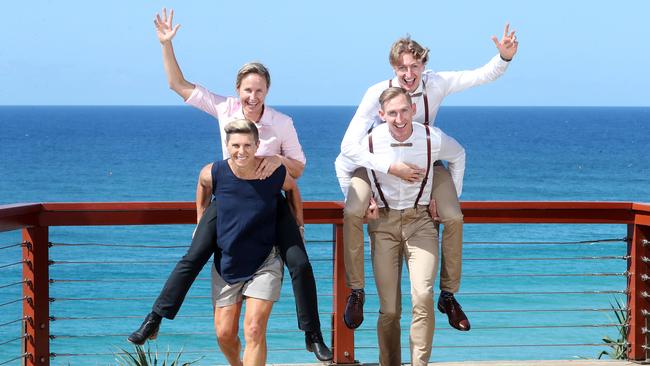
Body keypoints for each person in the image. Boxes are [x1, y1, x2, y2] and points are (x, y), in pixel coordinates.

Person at [128, 9, 332, 361]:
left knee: (299, 261)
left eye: (259, 89)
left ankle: (312, 334)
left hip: (270, 201)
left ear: (267, 90)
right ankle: (155, 318)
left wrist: (279, 160)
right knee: (193, 256)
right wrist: (166, 44)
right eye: (247, 89)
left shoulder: (282, 123)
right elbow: (178, 85)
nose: (253, 96)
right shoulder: (225, 108)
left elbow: (298, 170)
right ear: (238, 90)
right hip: (229, 199)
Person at [335, 27, 518, 331]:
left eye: (415, 66)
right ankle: (356, 291)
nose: (409, 74)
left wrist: (504, 57)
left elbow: (480, 75)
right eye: (402, 68)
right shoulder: (377, 93)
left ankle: (448, 295)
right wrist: (382, 174)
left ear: (424, 65)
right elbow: (348, 148)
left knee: (453, 216)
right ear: (393, 69)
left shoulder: (437, 84)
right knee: (353, 211)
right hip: (377, 164)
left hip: (427, 160)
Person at [365, 87, 465, 365]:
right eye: (393, 113)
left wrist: (446, 196)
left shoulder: (431, 138)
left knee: (422, 296)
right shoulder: (370, 141)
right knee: (389, 310)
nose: (399, 118)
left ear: (413, 110)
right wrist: (365, 200)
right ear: (381, 115)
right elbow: (344, 162)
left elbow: (458, 155)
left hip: (420, 222)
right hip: (383, 224)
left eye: (404, 111)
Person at [198, 119, 300, 365]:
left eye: (247, 145)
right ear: (227, 145)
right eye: (235, 145)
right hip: (228, 259)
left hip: (266, 258)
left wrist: (298, 227)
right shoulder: (214, 171)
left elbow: (293, 189)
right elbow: (203, 185)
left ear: (257, 146)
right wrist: (200, 223)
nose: (241, 151)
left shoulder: (272, 171)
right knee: (224, 334)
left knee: (254, 329)